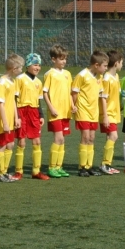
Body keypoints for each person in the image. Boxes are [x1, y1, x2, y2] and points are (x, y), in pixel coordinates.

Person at [71, 50, 109, 177]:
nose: (106, 68)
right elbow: (74, 93)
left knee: (92, 138)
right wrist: (74, 107)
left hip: (94, 112)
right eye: (104, 66)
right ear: (96, 65)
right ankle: (82, 167)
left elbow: (100, 95)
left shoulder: (99, 77)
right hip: (83, 110)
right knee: (85, 137)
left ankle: (89, 166)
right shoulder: (82, 75)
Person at [14, 52, 48, 180]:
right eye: (35, 64)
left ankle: (36, 171)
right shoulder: (20, 79)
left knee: (37, 141)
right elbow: (14, 97)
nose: (37, 67)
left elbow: (39, 100)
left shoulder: (39, 82)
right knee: (21, 142)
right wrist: (16, 115)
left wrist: (41, 115)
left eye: (39, 65)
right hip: (22, 111)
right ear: (28, 65)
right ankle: (19, 172)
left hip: (34, 112)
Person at [43, 44, 73, 178]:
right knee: (58, 138)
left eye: (65, 58)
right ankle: (52, 167)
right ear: (53, 59)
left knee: (63, 140)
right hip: (55, 112)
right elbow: (45, 93)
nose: (64, 61)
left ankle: (59, 166)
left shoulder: (67, 74)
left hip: (66, 111)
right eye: (61, 59)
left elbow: (69, 92)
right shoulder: (49, 74)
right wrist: (51, 107)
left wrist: (72, 105)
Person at [0, 54, 22, 182]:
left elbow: (13, 101)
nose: (22, 70)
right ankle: (0, 174)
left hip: (10, 119)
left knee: (10, 145)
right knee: (2, 145)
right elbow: (0, 104)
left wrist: (16, 117)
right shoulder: (2, 82)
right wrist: (4, 122)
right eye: (20, 67)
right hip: (2, 120)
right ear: (14, 68)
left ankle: (5, 172)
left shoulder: (12, 81)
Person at [98, 50, 123, 175]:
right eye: (121, 62)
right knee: (114, 136)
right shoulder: (106, 78)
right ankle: (105, 164)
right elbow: (103, 97)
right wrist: (105, 116)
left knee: (110, 137)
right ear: (116, 63)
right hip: (108, 113)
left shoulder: (116, 77)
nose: (122, 65)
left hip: (114, 112)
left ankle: (107, 164)